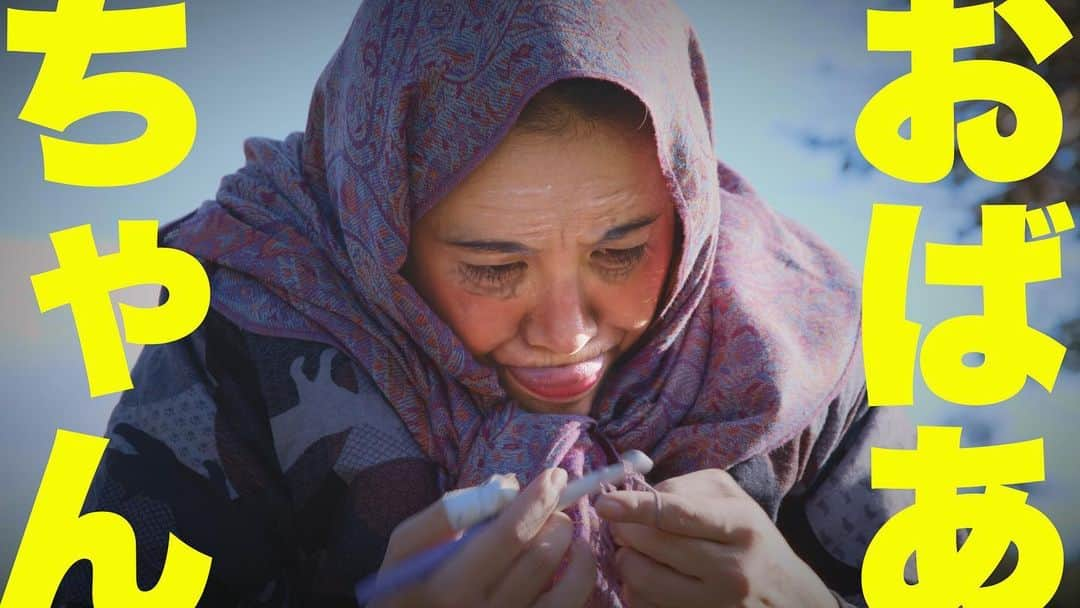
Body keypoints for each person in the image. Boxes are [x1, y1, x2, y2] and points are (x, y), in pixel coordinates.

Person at [56, 1, 915, 606]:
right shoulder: (240, 332)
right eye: (493, 265)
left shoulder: (806, 341)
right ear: (376, 229)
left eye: (622, 251)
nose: (567, 333)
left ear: (687, 208)